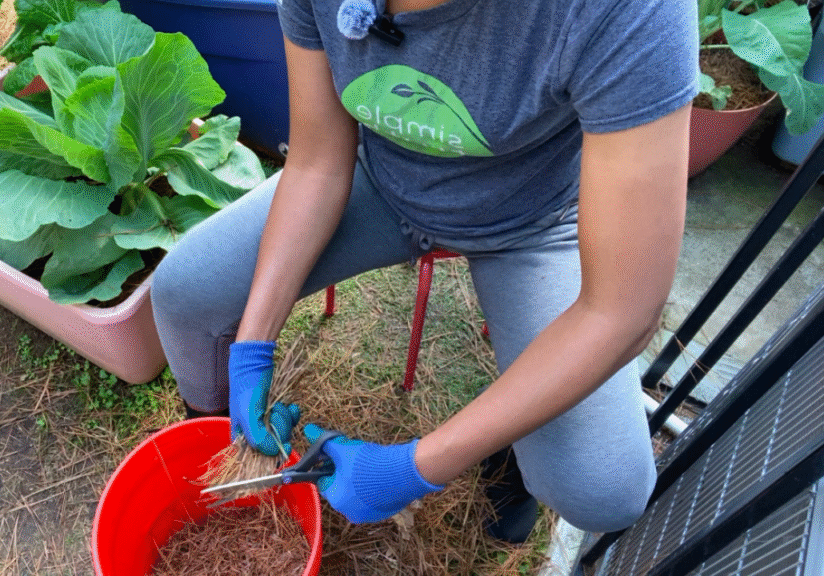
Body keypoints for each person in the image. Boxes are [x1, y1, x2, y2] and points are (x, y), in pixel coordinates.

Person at [151, 0, 698, 542]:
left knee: (602, 490)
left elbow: (621, 311)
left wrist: (416, 467)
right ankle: (223, 440)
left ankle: (511, 445)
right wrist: (253, 346)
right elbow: (317, 158)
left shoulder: (630, 10)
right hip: (379, 177)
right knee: (185, 292)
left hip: (534, 218)